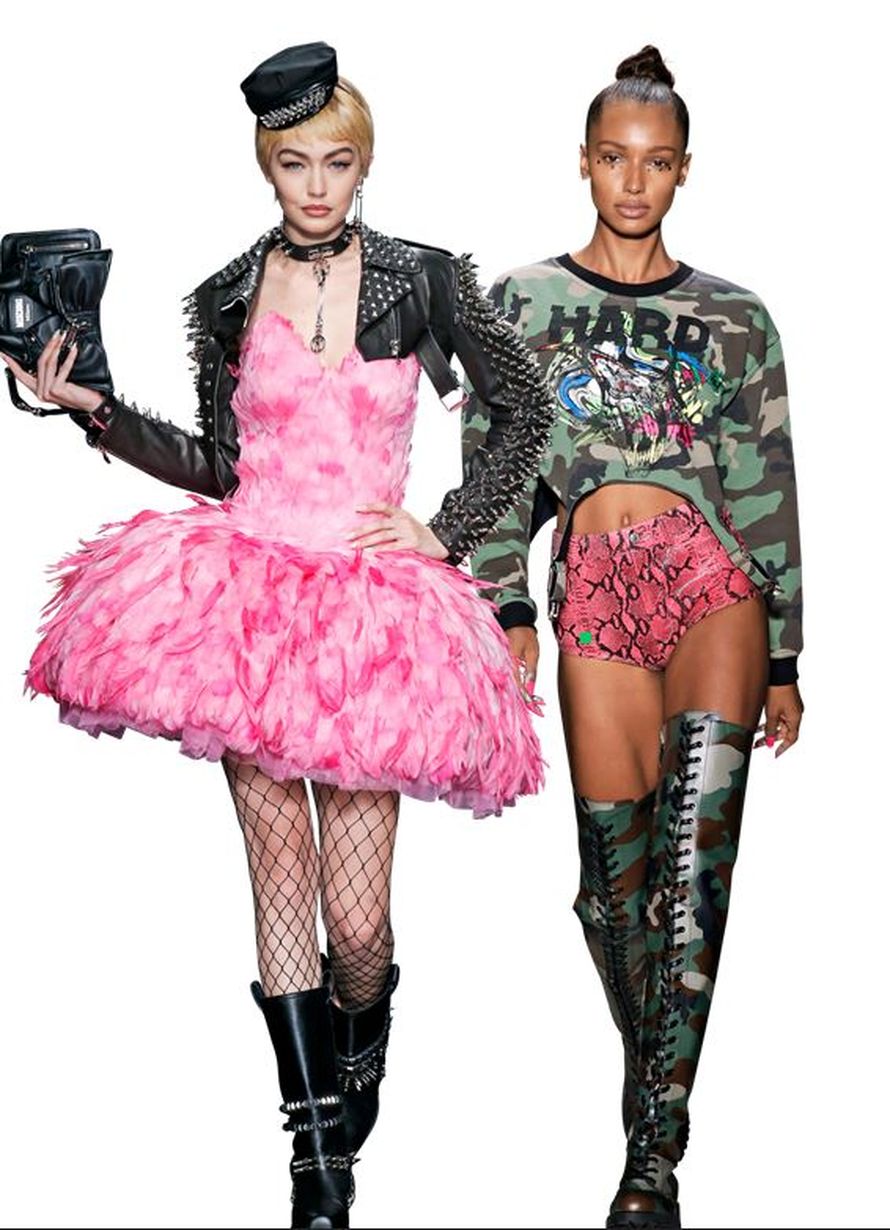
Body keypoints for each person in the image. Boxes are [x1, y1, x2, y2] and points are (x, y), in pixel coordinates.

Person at [2, 41, 553, 1230]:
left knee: (357, 925)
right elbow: (219, 464)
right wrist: (93, 410)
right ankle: (314, 1163)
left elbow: (526, 412)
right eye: (295, 163)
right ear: (266, 164)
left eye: (335, 163)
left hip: (367, 620)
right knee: (280, 882)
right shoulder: (225, 293)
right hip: (247, 607)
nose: (316, 184)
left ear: (363, 165)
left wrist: (445, 527)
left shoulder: (422, 280)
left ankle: (363, 1043)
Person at [463, 44, 804, 1230]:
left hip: (713, 585)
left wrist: (784, 654)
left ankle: (651, 1160)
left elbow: (767, 483)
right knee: (618, 896)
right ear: (583, 162)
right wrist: (505, 601)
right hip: (594, 592)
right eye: (613, 158)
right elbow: (495, 469)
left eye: (655, 163)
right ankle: (655, 1069)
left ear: (682, 171)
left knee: (692, 880)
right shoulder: (517, 305)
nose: (632, 181)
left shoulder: (735, 317)